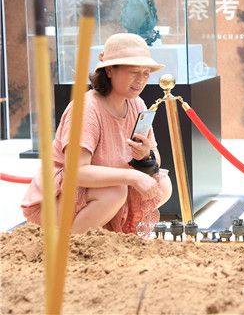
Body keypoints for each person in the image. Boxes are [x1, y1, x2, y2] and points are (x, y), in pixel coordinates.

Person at [21, 33, 172, 234]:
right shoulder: (86, 109)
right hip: (63, 195)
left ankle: (107, 228)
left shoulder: (137, 104)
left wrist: (145, 156)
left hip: (107, 187)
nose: (141, 80)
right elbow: (76, 172)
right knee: (114, 193)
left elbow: (155, 158)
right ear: (109, 70)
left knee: (162, 185)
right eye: (134, 72)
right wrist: (132, 177)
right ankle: (71, 241)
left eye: (146, 73)